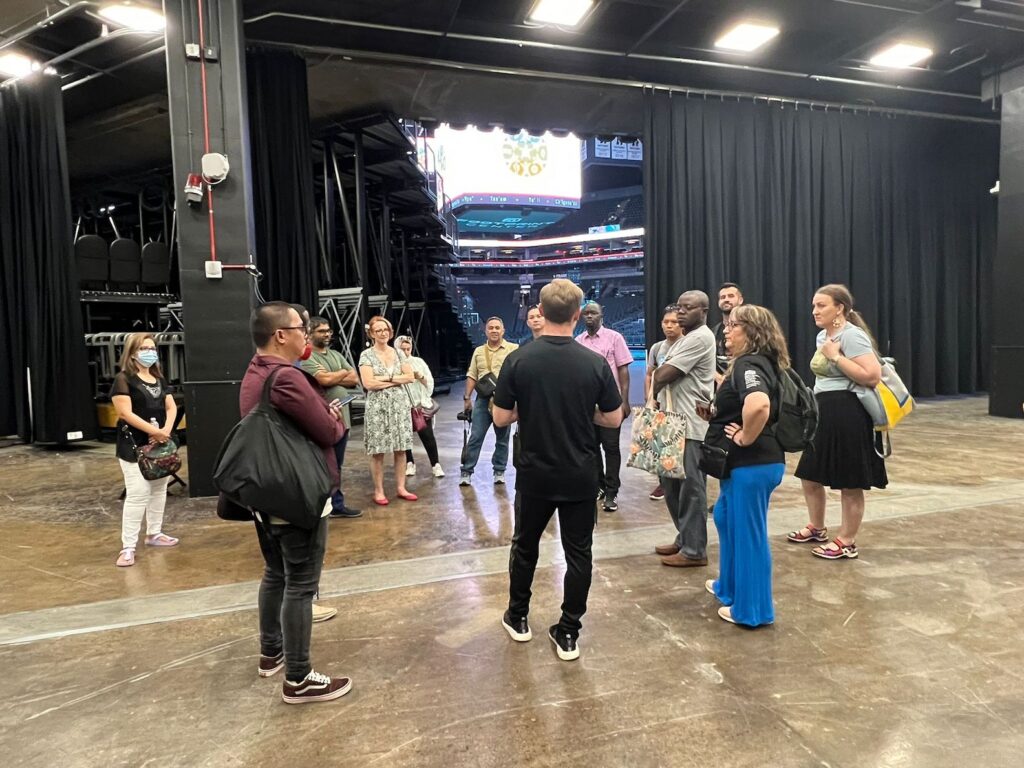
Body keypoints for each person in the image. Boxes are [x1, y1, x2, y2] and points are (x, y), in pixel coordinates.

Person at [493, 279, 623, 661]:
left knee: (525, 546)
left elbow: (500, 417)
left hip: (534, 474)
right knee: (579, 553)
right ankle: (568, 631)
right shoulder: (594, 362)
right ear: (578, 315)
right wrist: (584, 413)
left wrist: (529, 410)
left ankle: (518, 617)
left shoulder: (518, 360)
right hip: (580, 473)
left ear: (541, 311)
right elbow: (614, 419)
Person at [239, 302, 351, 703]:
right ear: (280, 335)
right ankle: (299, 678)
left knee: (276, 573)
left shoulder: (256, 371)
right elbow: (326, 430)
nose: (307, 333)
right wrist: (333, 417)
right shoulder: (287, 377)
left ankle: (272, 653)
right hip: (295, 493)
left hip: (265, 491)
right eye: (300, 327)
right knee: (301, 584)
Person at [700, 304, 789, 627]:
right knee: (726, 518)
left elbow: (759, 404)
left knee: (749, 534)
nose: (726, 329)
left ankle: (752, 611)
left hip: (752, 463)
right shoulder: (755, 364)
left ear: (751, 332)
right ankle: (729, 588)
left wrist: (745, 438)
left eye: (734, 325)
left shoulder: (749, 364)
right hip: (744, 466)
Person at [791, 284, 886, 559]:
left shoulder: (852, 336)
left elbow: (872, 376)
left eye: (821, 305)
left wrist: (836, 357)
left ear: (839, 308)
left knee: (850, 479)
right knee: (810, 473)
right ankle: (817, 527)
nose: (814, 311)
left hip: (849, 411)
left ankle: (846, 541)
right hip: (824, 411)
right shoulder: (823, 336)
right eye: (813, 306)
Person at [650, 292, 716, 567]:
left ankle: (694, 550)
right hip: (670, 422)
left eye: (688, 308)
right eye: (679, 307)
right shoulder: (685, 339)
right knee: (671, 485)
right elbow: (657, 373)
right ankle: (684, 537)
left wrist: (658, 374)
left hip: (689, 424)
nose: (681, 313)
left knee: (690, 488)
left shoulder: (700, 337)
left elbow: (663, 374)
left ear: (703, 311)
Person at [110, 333, 179, 567]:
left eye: (152, 348)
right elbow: (124, 413)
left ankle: (154, 533)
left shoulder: (159, 378)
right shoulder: (124, 379)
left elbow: (170, 406)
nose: (149, 352)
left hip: (160, 444)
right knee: (138, 494)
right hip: (134, 445)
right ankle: (127, 546)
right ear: (132, 352)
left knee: (159, 489)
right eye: (144, 348)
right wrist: (153, 430)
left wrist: (166, 430)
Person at [302, 317, 362, 519]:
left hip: (342, 422)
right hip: (324, 421)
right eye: (321, 331)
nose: (327, 334)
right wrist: (343, 372)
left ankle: (336, 504)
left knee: (337, 465)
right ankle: (322, 505)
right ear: (309, 334)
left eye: (328, 331)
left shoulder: (335, 354)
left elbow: (354, 379)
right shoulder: (307, 357)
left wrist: (338, 375)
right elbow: (323, 379)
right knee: (324, 464)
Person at [576, 301, 631, 512]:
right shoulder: (578, 341)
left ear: (601, 315)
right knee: (591, 448)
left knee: (611, 448)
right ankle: (598, 485)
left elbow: (623, 371)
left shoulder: (614, 338)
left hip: (610, 403)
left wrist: (624, 400)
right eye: (586, 313)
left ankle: (611, 490)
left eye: (593, 313)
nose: (589, 316)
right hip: (587, 405)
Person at [359, 316, 417, 505]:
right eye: (378, 330)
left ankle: (401, 487)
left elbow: (409, 377)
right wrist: (394, 378)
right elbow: (368, 383)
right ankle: (379, 491)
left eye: (385, 330)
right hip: (378, 407)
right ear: (372, 334)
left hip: (399, 406)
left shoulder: (399, 353)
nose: (382, 333)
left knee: (401, 449)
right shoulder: (366, 355)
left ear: (390, 332)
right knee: (378, 451)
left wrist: (383, 378)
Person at [460, 317, 519, 486]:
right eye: (491, 328)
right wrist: (467, 398)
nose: (494, 330)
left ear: (503, 330)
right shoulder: (479, 351)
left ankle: (499, 471)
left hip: (504, 400)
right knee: (476, 436)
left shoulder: (513, 349)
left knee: (502, 438)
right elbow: (472, 374)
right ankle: (466, 471)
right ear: (486, 331)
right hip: (483, 400)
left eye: (497, 328)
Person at [644, 304, 683, 501]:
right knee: (659, 446)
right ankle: (663, 483)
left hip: (681, 405)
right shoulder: (657, 348)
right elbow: (650, 374)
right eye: (666, 322)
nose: (669, 326)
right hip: (661, 405)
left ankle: (681, 483)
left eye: (674, 322)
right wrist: (649, 399)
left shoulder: (687, 345)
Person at [395, 334, 444, 478]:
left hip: (419, 404)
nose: (405, 352)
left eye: (408, 349)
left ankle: (436, 464)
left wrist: (419, 376)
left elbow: (429, 382)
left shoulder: (418, 362)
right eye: (402, 349)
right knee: (405, 437)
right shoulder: (394, 364)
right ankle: (409, 463)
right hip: (402, 405)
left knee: (427, 435)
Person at [711, 283, 744, 387]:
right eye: (722, 297)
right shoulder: (712, 333)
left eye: (731, 296)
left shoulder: (751, 329)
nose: (726, 299)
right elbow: (704, 362)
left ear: (740, 300)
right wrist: (718, 378)